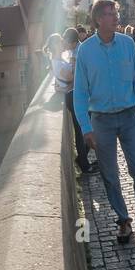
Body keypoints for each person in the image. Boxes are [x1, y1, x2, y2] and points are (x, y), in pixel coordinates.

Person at [73, 0, 135, 245]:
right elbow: (80, 93)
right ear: (98, 19)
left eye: (116, 13)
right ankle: (123, 221)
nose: (115, 17)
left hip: (129, 117)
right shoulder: (86, 50)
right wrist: (86, 127)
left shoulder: (127, 44)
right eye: (110, 14)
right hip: (101, 120)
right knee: (110, 174)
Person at [47, 31, 96, 174]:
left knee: (84, 128)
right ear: (56, 45)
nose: (63, 43)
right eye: (61, 41)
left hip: (74, 94)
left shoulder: (60, 59)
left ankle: (82, 159)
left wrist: (71, 78)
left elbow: (71, 78)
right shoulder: (57, 62)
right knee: (82, 130)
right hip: (72, 97)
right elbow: (72, 76)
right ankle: (84, 164)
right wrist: (74, 73)